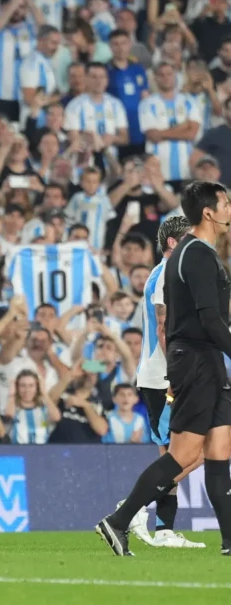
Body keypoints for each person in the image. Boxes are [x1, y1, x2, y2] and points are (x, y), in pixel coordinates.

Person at [99, 182, 231, 557]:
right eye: (226, 203)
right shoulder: (196, 256)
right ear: (209, 212)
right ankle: (121, 520)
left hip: (204, 361)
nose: (229, 209)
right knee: (183, 454)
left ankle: (229, 541)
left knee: (220, 449)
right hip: (196, 362)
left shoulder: (198, 254)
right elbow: (210, 320)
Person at [123, 215, 205, 548]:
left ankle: (164, 529)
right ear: (173, 242)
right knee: (191, 452)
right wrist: (179, 374)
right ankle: (134, 509)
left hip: (165, 376)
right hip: (164, 379)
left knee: (173, 454)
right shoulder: (163, 276)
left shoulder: (172, 274)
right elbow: (163, 328)